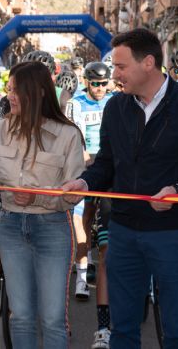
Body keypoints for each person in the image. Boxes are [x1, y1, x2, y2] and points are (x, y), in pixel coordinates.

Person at [62, 28, 178, 349]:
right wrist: (84, 182)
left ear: (148, 63)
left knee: (176, 333)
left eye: (120, 66)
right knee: (124, 330)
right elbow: (107, 163)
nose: (114, 74)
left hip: (175, 235)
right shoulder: (116, 108)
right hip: (124, 234)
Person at [0, 61, 86, 348]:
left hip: (52, 229)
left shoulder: (68, 134)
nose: (9, 96)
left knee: (52, 319)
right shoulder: (2, 129)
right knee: (19, 315)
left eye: (15, 90)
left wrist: (39, 196)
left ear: (38, 92)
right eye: (8, 89)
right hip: (10, 226)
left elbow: (74, 192)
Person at [65, 62, 112, 309]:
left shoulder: (115, 101)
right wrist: (84, 156)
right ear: (87, 82)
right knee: (80, 221)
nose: (100, 88)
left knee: (99, 220)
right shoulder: (76, 104)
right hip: (84, 167)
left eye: (104, 83)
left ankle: (94, 262)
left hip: (107, 168)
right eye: (95, 84)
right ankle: (82, 277)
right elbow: (73, 135)